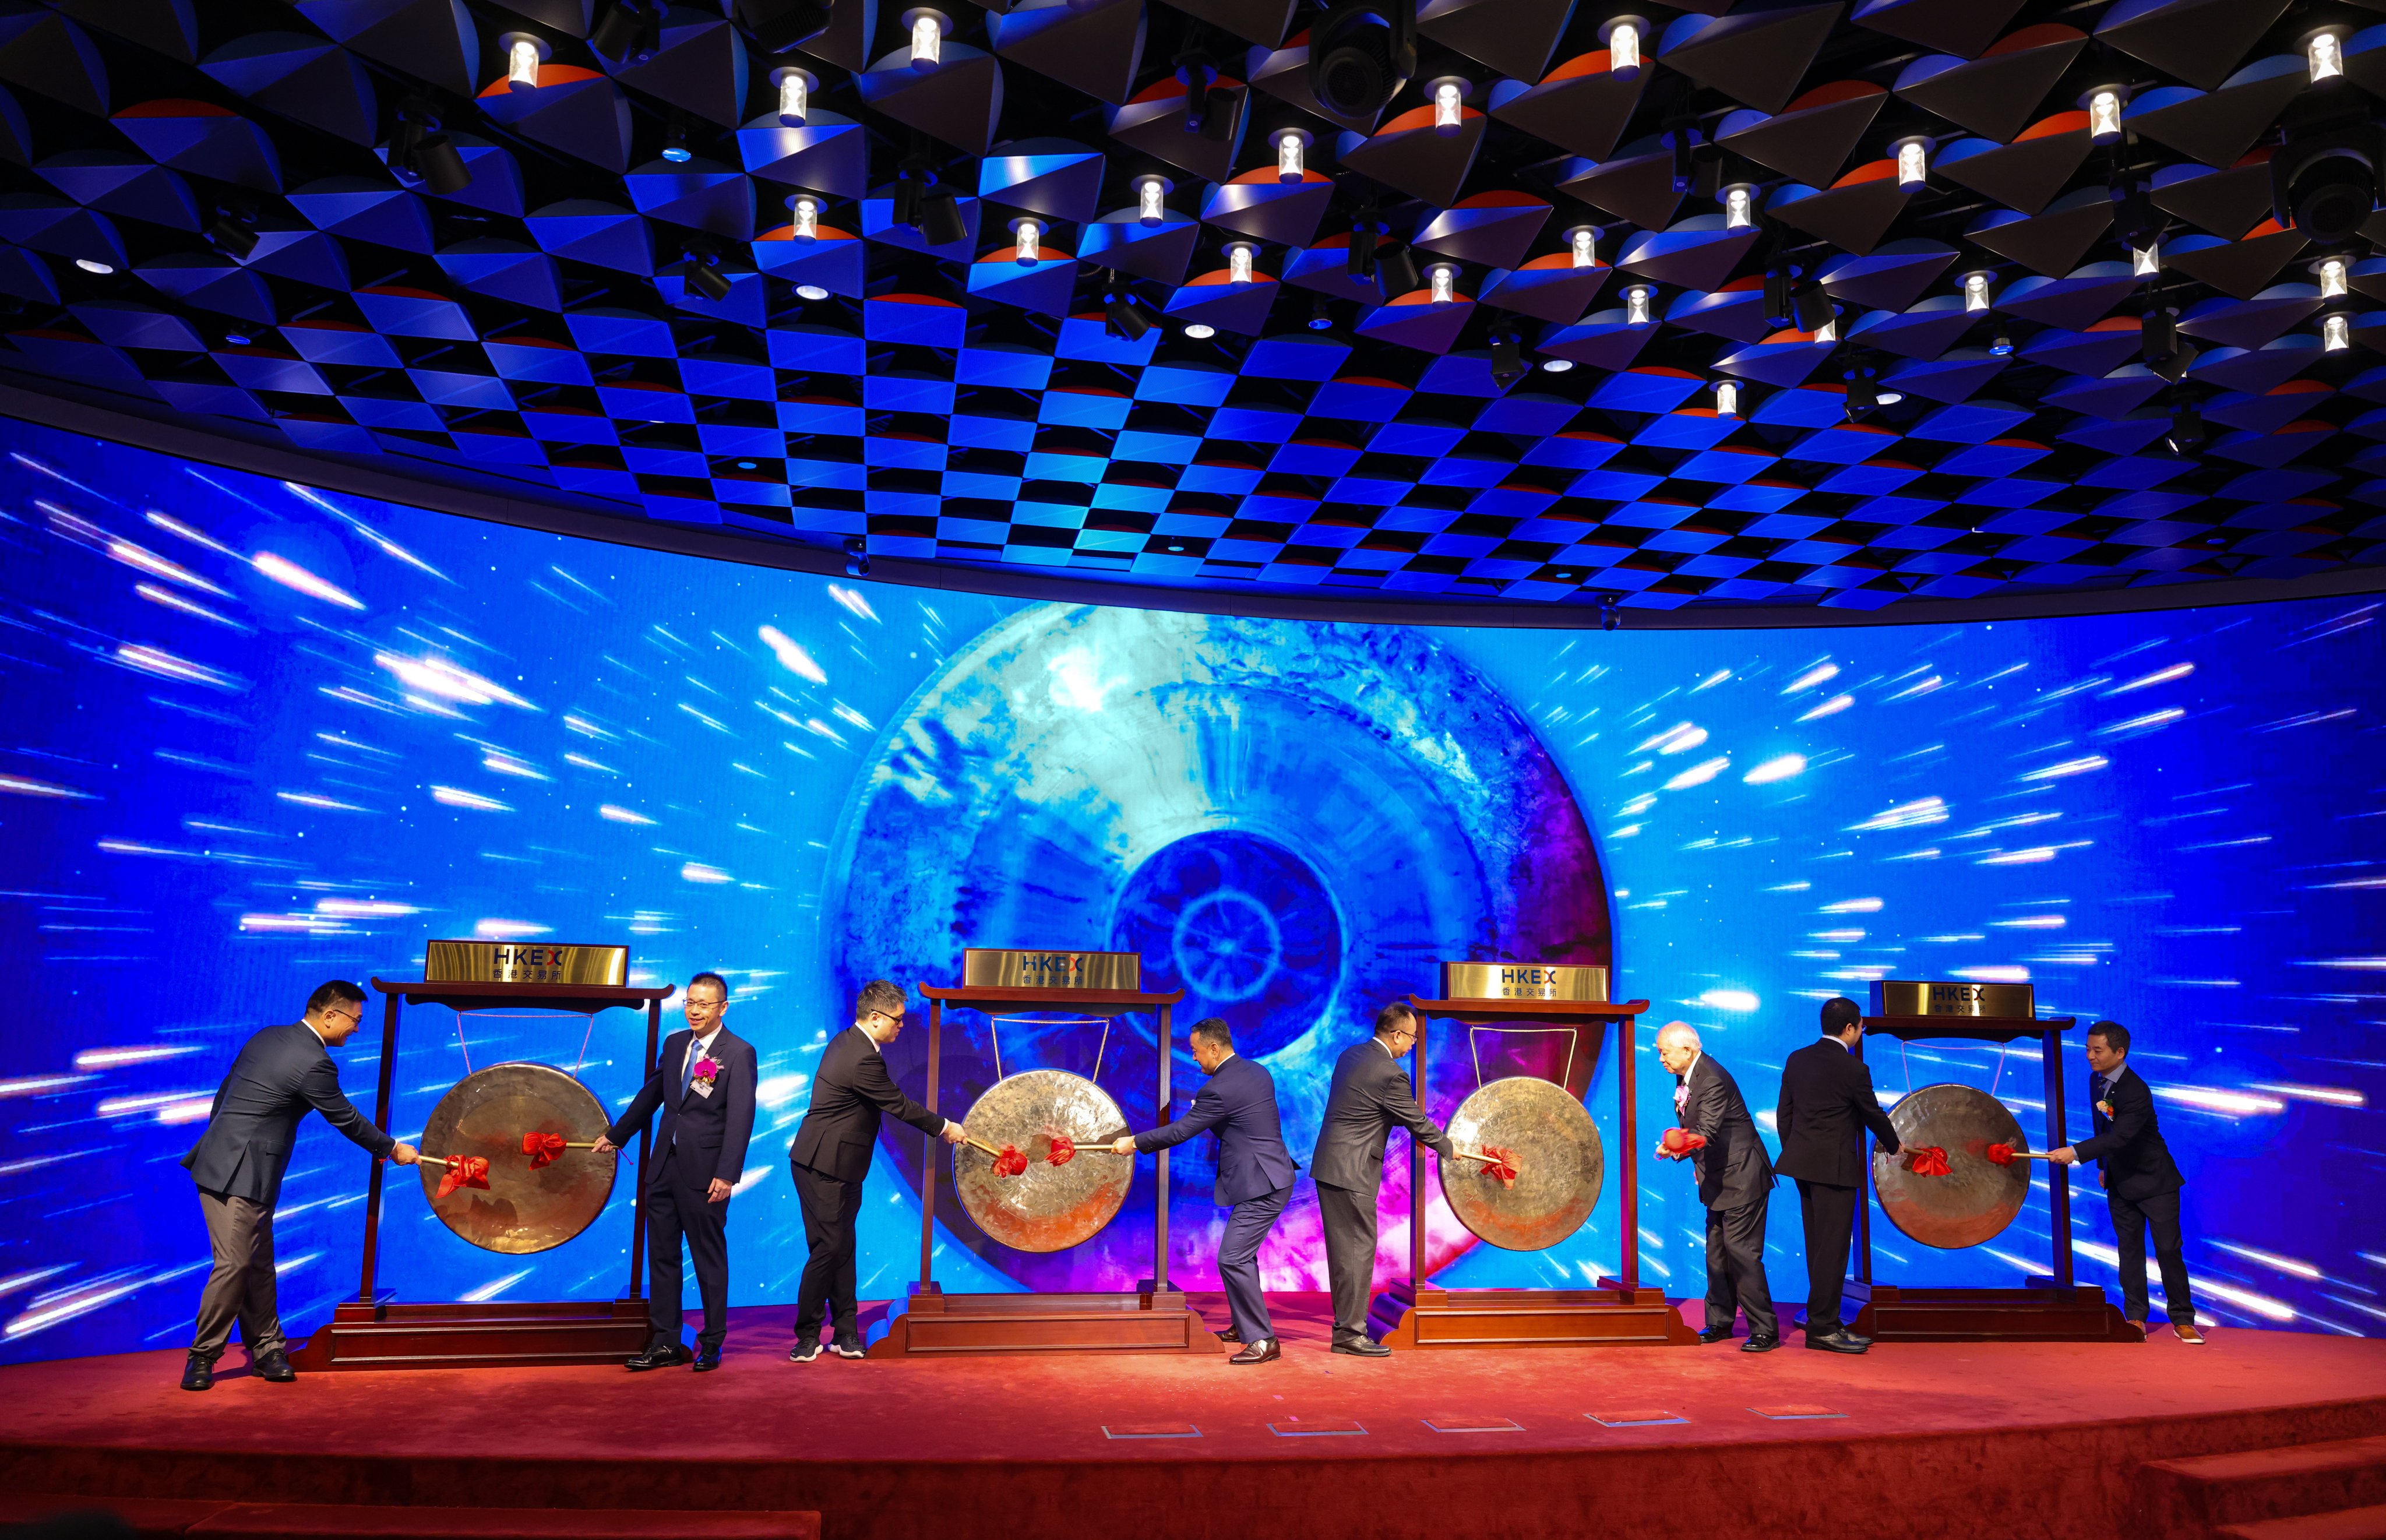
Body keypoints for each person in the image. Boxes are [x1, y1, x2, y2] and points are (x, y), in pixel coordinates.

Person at [178, 979, 419, 1391]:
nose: (357, 1029)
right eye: (355, 1021)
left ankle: (268, 1349)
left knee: (255, 1262)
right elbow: (345, 1117)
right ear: (329, 1015)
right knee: (235, 1264)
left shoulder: (268, 1036)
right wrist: (392, 1147)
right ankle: (203, 1355)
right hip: (238, 1172)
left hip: (228, 1162)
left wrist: (221, 1143)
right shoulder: (314, 1062)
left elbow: (223, 1096)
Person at [785, 979, 967, 1361]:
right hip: (822, 1163)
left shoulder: (853, 1041)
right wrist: (945, 1126)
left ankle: (846, 1330)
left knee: (842, 1245)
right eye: (897, 1020)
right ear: (874, 1017)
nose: (902, 1026)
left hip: (843, 1163)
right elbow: (897, 1104)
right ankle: (807, 1333)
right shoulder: (860, 1056)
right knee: (828, 1248)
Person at [592, 971, 757, 1373]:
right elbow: (652, 1094)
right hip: (662, 1165)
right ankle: (665, 1341)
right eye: (690, 1002)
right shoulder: (675, 1043)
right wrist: (617, 1134)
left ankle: (713, 1342)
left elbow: (741, 1118)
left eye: (704, 1004)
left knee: (708, 1258)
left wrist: (728, 1173)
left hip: (706, 1173)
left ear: (723, 1007)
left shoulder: (738, 1052)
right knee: (662, 1257)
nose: (694, 1010)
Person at [1111, 1017, 1299, 1363]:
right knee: (1242, 1257)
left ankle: (1263, 1339)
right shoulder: (1256, 1071)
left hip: (1264, 1184)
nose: (1194, 1058)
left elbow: (1181, 1132)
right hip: (1271, 1176)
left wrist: (1135, 1142)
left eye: (1196, 1052)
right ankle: (1246, 1326)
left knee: (1232, 1258)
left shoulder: (1217, 1089)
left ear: (1215, 1048)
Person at [1310, 1001, 1457, 1356]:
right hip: (1353, 1170)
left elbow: (1363, 1108)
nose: (1412, 1046)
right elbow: (1416, 1122)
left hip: (1330, 1165)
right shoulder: (1390, 1074)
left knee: (1344, 1253)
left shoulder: (1351, 1056)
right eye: (1412, 1039)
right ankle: (1350, 1334)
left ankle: (1345, 1327)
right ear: (1395, 1034)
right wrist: (1451, 1148)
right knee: (1357, 1253)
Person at [2047, 1021, 2202, 1344]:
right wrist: (2104, 1166)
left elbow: (2121, 1136)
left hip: (2155, 1181)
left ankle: (2183, 1319)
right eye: (2088, 1049)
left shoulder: (2135, 1090)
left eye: (2097, 1050)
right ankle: (2135, 1318)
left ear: (2120, 1052)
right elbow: (2103, 1128)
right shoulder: (2098, 1081)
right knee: (2129, 1250)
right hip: (2120, 1180)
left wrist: (2075, 1152)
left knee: (2168, 1251)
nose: (2090, 1056)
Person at [1774, 996, 1903, 1354]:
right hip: (1836, 1169)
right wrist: (1894, 1145)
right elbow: (1872, 1114)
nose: (1860, 1033)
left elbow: (1785, 1115)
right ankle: (1822, 1329)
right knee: (1831, 1250)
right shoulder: (1852, 1069)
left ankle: (1822, 1318)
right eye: (1860, 1027)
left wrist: (1798, 1151)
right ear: (1850, 1028)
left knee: (1818, 1247)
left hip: (1802, 1165)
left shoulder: (1797, 1059)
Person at [1654, 1021, 1779, 1352]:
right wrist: (1695, 1162)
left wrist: (1674, 1148)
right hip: (1719, 1177)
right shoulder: (1687, 1076)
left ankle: (1765, 1329)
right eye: (1660, 1053)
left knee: (1742, 1253)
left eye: (1665, 1053)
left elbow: (1705, 1132)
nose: (1661, 1059)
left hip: (1742, 1176)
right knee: (1717, 1253)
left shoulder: (1710, 1078)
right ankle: (1720, 1322)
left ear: (1688, 1049)